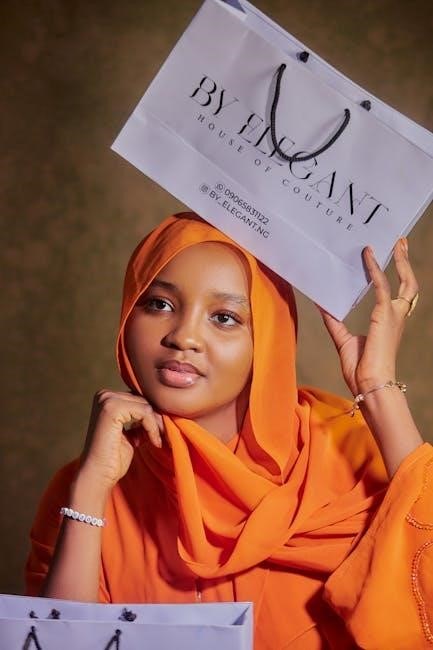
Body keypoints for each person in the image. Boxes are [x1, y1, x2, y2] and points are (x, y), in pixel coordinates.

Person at [26, 212, 432, 649]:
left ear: (270, 339)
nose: (184, 337)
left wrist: (377, 387)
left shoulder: (349, 461)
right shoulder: (85, 487)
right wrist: (91, 490)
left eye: (224, 317)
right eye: (159, 304)